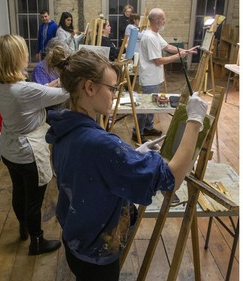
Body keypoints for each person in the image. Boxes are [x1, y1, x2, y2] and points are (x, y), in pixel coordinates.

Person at [45, 47, 208, 280]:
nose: (114, 95)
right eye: (112, 89)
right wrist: (194, 120)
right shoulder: (101, 144)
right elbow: (172, 178)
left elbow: (92, 173)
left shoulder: (64, 128)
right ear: (89, 88)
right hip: (97, 255)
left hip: (76, 241)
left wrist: (132, 155)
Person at [0, 34, 69, 255]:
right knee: (34, 200)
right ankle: (37, 241)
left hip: (9, 149)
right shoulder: (25, 90)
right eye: (24, 52)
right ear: (17, 57)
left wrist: (51, 85)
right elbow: (63, 93)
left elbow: (41, 93)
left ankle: (24, 228)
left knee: (19, 192)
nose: (27, 55)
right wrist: (64, 79)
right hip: (28, 153)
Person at [135, 8, 199, 143]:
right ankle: (138, 132)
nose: (165, 21)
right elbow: (157, 60)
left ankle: (148, 127)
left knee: (152, 104)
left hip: (154, 77)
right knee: (146, 106)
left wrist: (185, 51)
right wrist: (178, 56)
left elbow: (168, 47)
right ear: (157, 20)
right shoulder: (150, 37)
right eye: (163, 18)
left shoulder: (155, 34)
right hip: (149, 78)